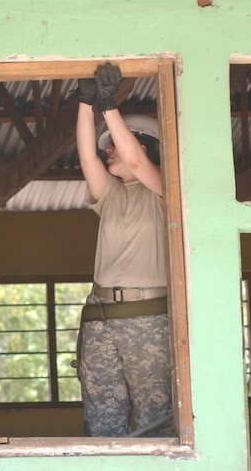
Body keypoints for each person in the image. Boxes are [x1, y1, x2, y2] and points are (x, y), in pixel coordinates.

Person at [75, 63, 173, 437]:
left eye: (115, 142)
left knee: (155, 424)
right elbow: (87, 158)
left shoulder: (166, 192)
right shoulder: (112, 194)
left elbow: (135, 162)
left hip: (147, 321)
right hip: (101, 318)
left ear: (144, 144)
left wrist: (108, 105)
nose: (108, 150)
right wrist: (86, 102)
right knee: (102, 429)